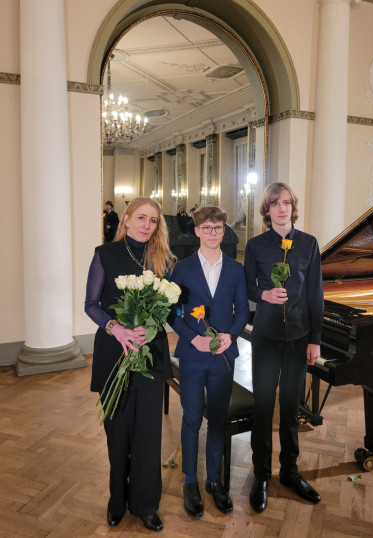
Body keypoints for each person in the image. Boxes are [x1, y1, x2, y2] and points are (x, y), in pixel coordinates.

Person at [85, 197, 175, 532]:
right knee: (117, 433)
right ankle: (116, 502)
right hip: (113, 354)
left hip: (151, 355)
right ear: (125, 219)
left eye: (153, 221)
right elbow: (91, 304)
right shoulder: (104, 254)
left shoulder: (163, 259)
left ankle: (146, 504)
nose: (146, 225)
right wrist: (116, 327)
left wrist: (154, 325)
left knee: (149, 434)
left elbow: (171, 308)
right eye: (141, 218)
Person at [244, 182, 324, 511]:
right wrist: (264, 294)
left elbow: (315, 293)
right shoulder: (256, 245)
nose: (281, 208)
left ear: (293, 207)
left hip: (298, 337)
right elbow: (247, 285)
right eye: (275, 204)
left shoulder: (308, 244)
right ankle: (262, 475)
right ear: (267, 210)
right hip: (264, 335)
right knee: (263, 405)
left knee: (291, 408)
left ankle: (290, 471)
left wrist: (315, 339)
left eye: (287, 203)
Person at [168, 206, 249, 519]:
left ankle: (214, 481)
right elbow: (174, 313)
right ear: (197, 231)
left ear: (224, 230)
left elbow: (242, 310)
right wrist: (193, 338)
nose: (213, 232)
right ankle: (190, 480)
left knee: (217, 419)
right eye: (207, 227)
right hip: (192, 356)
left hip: (223, 358)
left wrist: (230, 335)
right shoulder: (182, 269)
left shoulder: (236, 269)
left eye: (218, 227)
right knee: (191, 418)